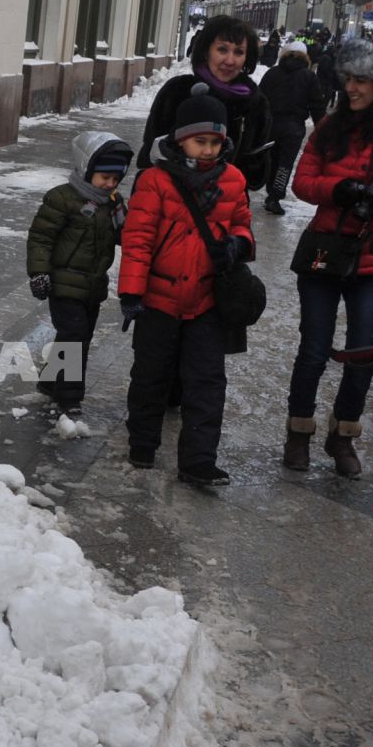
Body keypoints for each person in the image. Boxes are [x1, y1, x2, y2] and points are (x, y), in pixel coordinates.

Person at [284, 40, 373, 475]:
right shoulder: (331, 126)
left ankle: (343, 436)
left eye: (361, 79)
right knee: (312, 350)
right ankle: (298, 433)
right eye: (348, 78)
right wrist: (337, 190)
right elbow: (302, 183)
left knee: (364, 353)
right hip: (324, 253)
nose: (351, 87)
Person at [118, 88, 256, 486]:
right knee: (151, 375)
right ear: (180, 138)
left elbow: (244, 223)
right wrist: (131, 293)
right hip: (158, 300)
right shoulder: (155, 181)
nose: (209, 149)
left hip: (207, 301)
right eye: (201, 141)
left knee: (207, 382)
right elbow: (138, 239)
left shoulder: (233, 179)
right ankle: (142, 443)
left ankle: (198, 460)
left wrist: (239, 243)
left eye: (216, 141)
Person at [27, 131, 131, 414]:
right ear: (87, 170)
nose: (109, 184)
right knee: (74, 336)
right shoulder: (62, 199)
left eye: (115, 179)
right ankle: (69, 398)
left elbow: (125, 235)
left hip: (93, 285)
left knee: (78, 336)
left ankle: (50, 381)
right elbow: (41, 238)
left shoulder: (113, 203)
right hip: (63, 282)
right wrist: (39, 272)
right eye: (104, 178)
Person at [140, 15, 275, 200]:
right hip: (174, 205)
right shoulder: (178, 92)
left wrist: (255, 162)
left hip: (226, 210)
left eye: (238, 52)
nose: (230, 60)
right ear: (206, 51)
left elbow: (255, 179)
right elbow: (149, 158)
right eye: (222, 49)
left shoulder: (255, 104)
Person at [257, 39, 322, 214]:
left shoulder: (272, 73)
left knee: (268, 158)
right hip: (293, 127)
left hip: (271, 124)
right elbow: (316, 103)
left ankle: (261, 185)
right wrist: (321, 126)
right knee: (285, 163)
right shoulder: (309, 76)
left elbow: (259, 98)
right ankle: (275, 196)